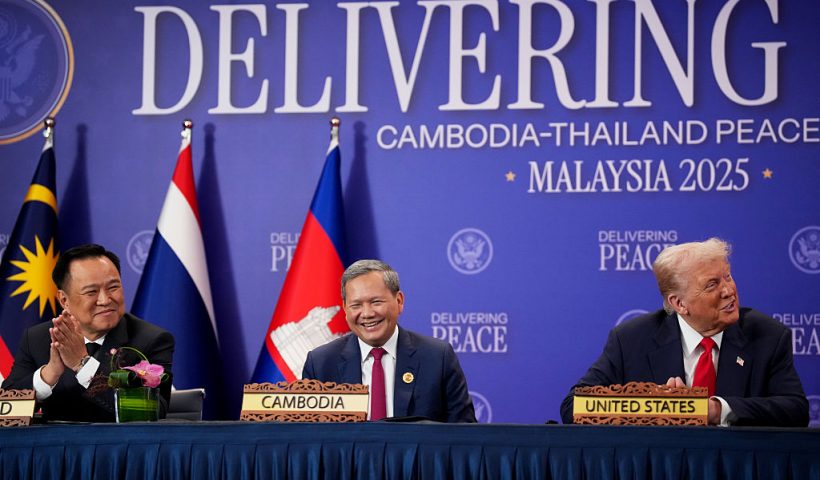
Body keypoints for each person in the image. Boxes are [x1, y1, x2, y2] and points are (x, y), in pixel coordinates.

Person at [560, 238, 808, 427]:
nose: (728, 290)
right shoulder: (631, 339)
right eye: (712, 284)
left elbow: (796, 410)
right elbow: (574, 406)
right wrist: (658, 406)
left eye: (727, 277)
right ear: (679, 304)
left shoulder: (767, 336)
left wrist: (716, 410)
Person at [2, 244, 174, 422]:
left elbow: (153, 412)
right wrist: (49, 374)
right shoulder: (38, 338)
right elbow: (6, 412)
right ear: (64, 300)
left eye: (113, 287)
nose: (105, 300)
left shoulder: (152, 340)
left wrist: (82, 365)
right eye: (91, 292)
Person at [302, 259, 476, 423]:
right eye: (356, 305)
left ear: (399, 301)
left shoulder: (437, 358)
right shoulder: (321, 364)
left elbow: (463, 436)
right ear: (346, 309)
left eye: (376, 302)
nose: (367, 313)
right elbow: (311, 441)